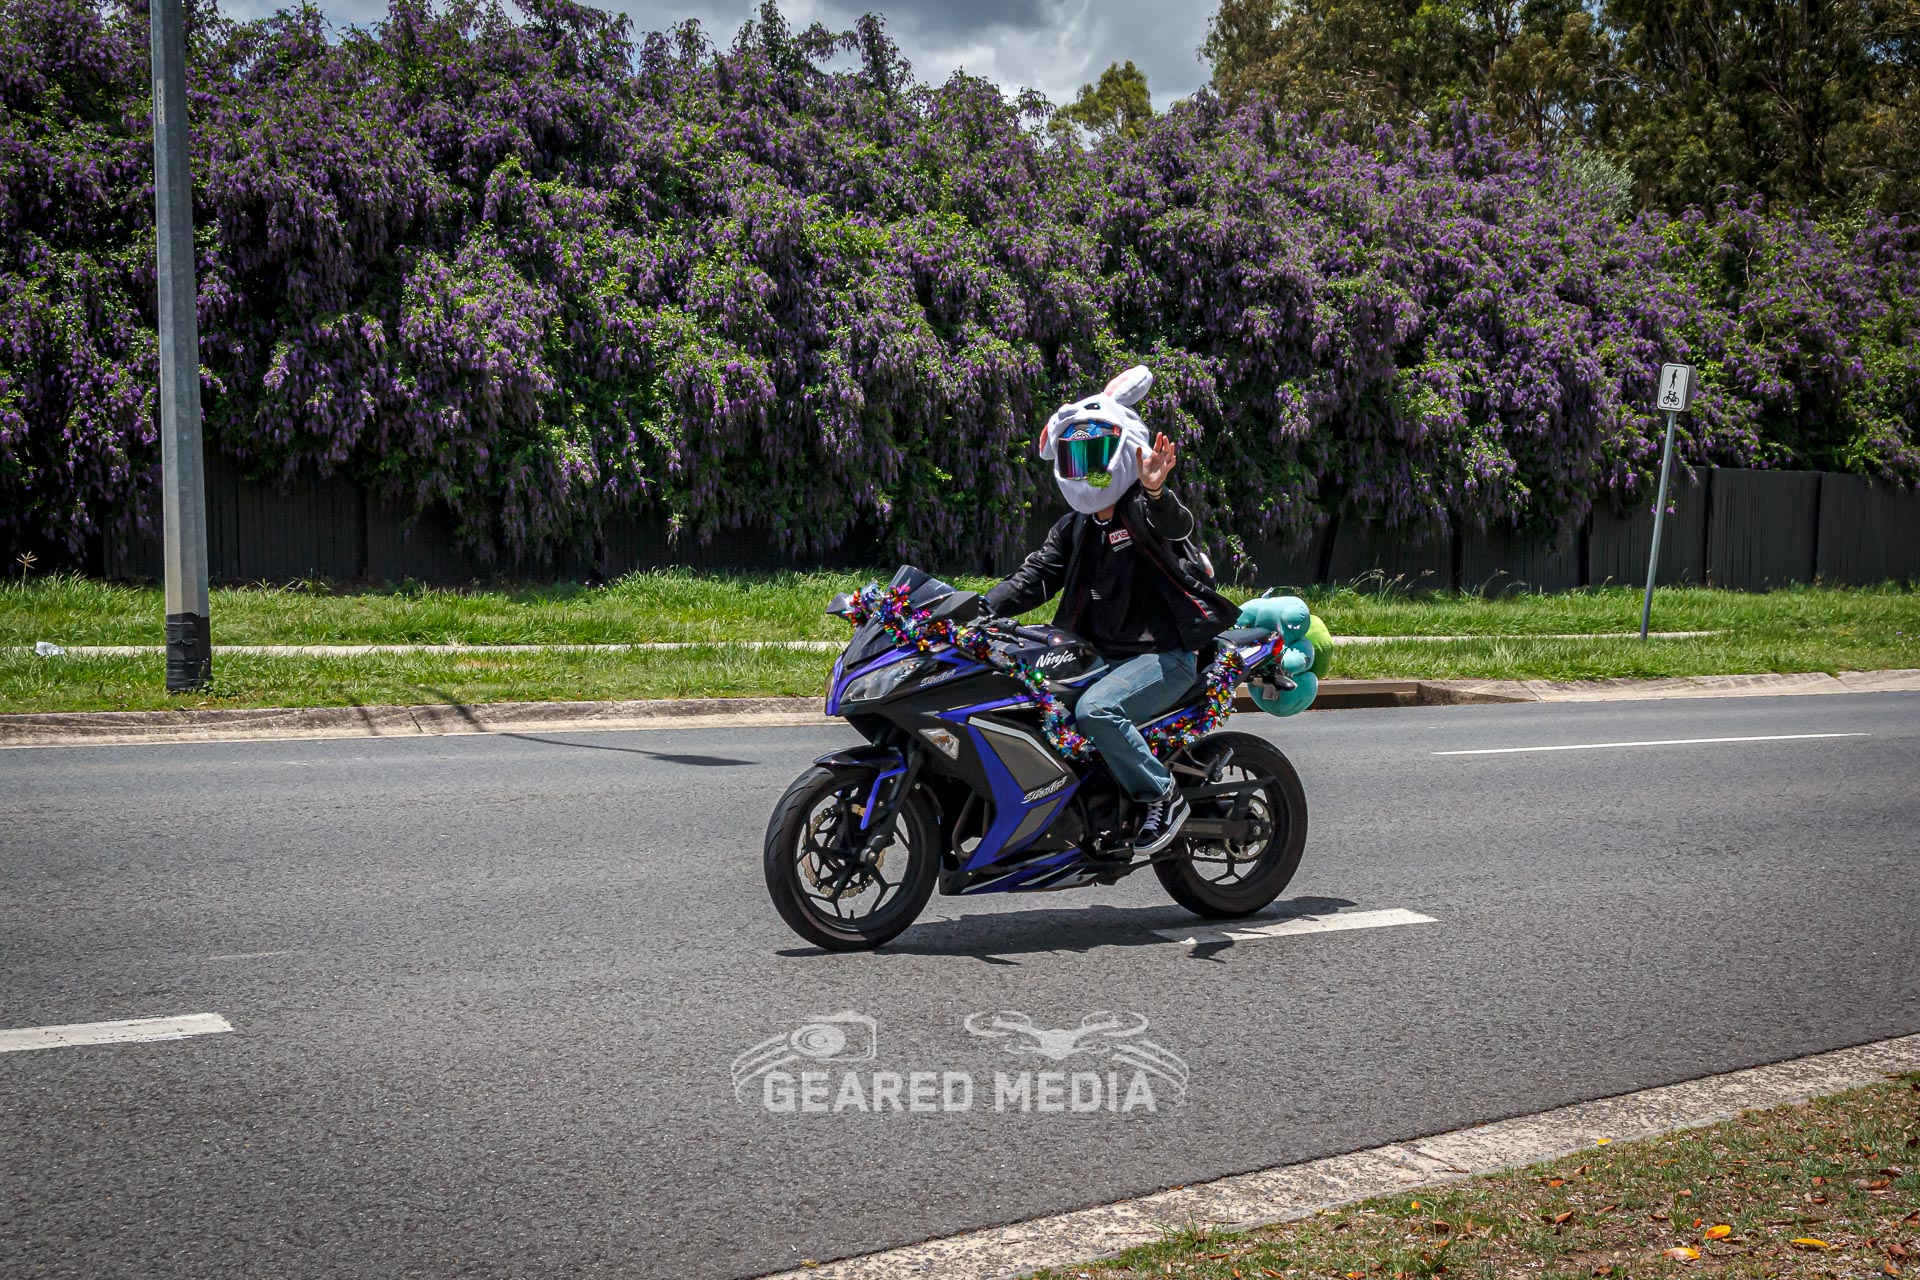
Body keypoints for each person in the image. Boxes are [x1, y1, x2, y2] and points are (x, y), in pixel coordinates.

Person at [982, 367, 1237, 854]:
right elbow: (1033, 578)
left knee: (1096, 711)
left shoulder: (1141, 509)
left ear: (1126, 454)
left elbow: (1176, 526)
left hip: (1162, 655)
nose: (1086, 472)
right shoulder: (1074, 527)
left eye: (1095, 459)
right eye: (1076, 459)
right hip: (1097, 655)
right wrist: (972, 608)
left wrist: (1156, 490)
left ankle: (1161, 795)